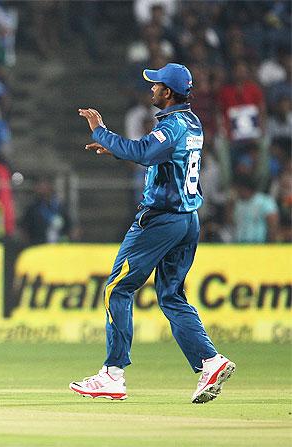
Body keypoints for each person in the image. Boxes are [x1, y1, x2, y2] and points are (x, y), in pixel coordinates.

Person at [70, 63, 235, 404]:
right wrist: (116, 148)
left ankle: (113, 375)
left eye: (157, 85)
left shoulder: (172, 125)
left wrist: (101, 132)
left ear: (169, 92)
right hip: (187, 220)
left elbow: (145, 152)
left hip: (160, 220)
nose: (152, 89)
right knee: (172, 296)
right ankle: (210, 361)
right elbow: (158, 158)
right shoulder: (192, 123)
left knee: (117, 287)